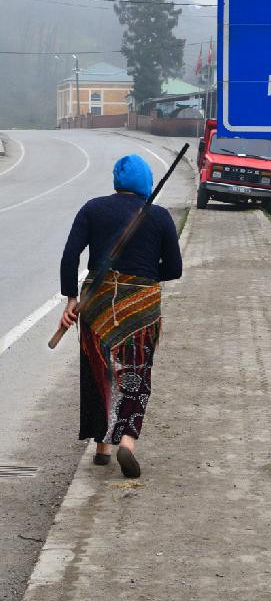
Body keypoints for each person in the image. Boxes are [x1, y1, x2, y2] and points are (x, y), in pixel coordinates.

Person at [59, 154, 182, 478]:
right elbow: (174, 269)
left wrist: (71, 298)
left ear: (117, 181)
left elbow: (70, 255)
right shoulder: (158, 216)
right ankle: (127, 440)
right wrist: (143, 273)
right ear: (146, 183)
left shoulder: (92, 208)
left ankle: (102, 446)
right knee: (136, 374)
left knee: (99, 369)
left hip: (97, 304)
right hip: (140, 308)